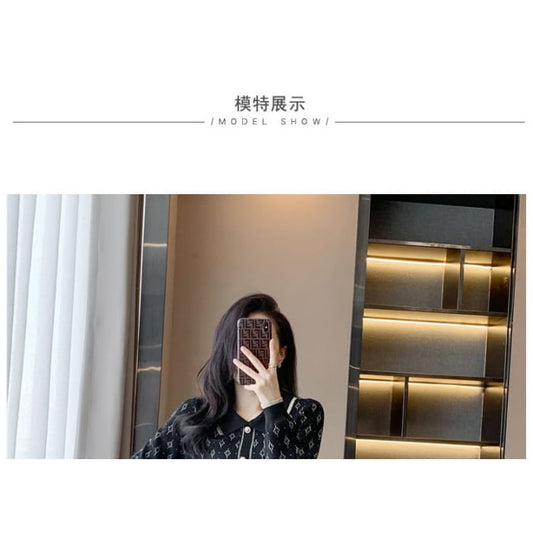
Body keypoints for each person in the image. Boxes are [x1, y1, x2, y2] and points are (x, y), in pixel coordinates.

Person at [131, 293, 324, 459]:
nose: (247, 351)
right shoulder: (193, 413)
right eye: (240, 340)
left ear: (281, 353)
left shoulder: (304, 413)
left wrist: (272, 403)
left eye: (259, 342)